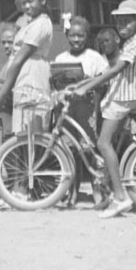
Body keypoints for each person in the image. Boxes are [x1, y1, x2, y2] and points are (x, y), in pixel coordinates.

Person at [73, 0, 136, 219]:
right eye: (119, 21)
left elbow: (116, 70)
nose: (122, 25)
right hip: (121, 97)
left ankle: (120, 197)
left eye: (128, 21)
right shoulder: (130, 43)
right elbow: (108, 71)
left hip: (124, 98)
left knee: (103, 143)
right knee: (109, 146)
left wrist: (87, 88)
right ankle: (109, 190)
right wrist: (82, 83)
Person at [53, 16, 109, 206]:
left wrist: (89, 83)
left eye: (81, 36)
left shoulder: (95, 58)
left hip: (87, 107)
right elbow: (56, 84)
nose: (76, 40)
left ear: (87, 36)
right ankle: (72, 191)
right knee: (69, 149)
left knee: (89, 148)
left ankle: (97, 190)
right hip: (67, 109)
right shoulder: (61, 58)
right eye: (72, 36)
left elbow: (104, 84)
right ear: (67, 36)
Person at [0, 0, 53, 134]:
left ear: (42, 1)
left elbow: (19, 60)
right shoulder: (28, 24)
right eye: (24, 3)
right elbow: (13, 59)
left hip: (32, 78)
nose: (27, 6)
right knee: (22, 132)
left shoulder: (42, 24)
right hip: (22, 81)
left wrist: (3, 93)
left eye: (31, 1)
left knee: (32, 131)